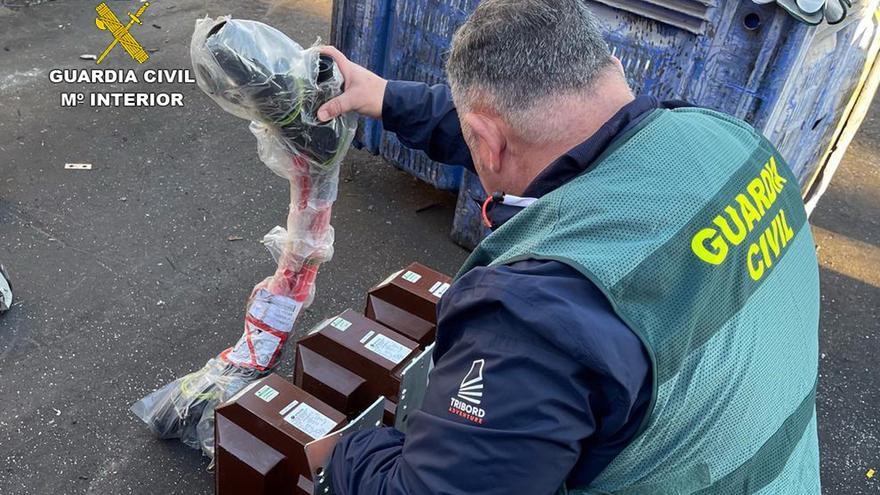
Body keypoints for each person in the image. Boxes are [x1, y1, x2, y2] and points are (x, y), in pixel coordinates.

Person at [319, 1, 822, 493]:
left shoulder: (534, 319)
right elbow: (538, 136)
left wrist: (341, 450)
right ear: (613, 69)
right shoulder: (729, 140)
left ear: (486, 141)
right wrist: (386, 97)